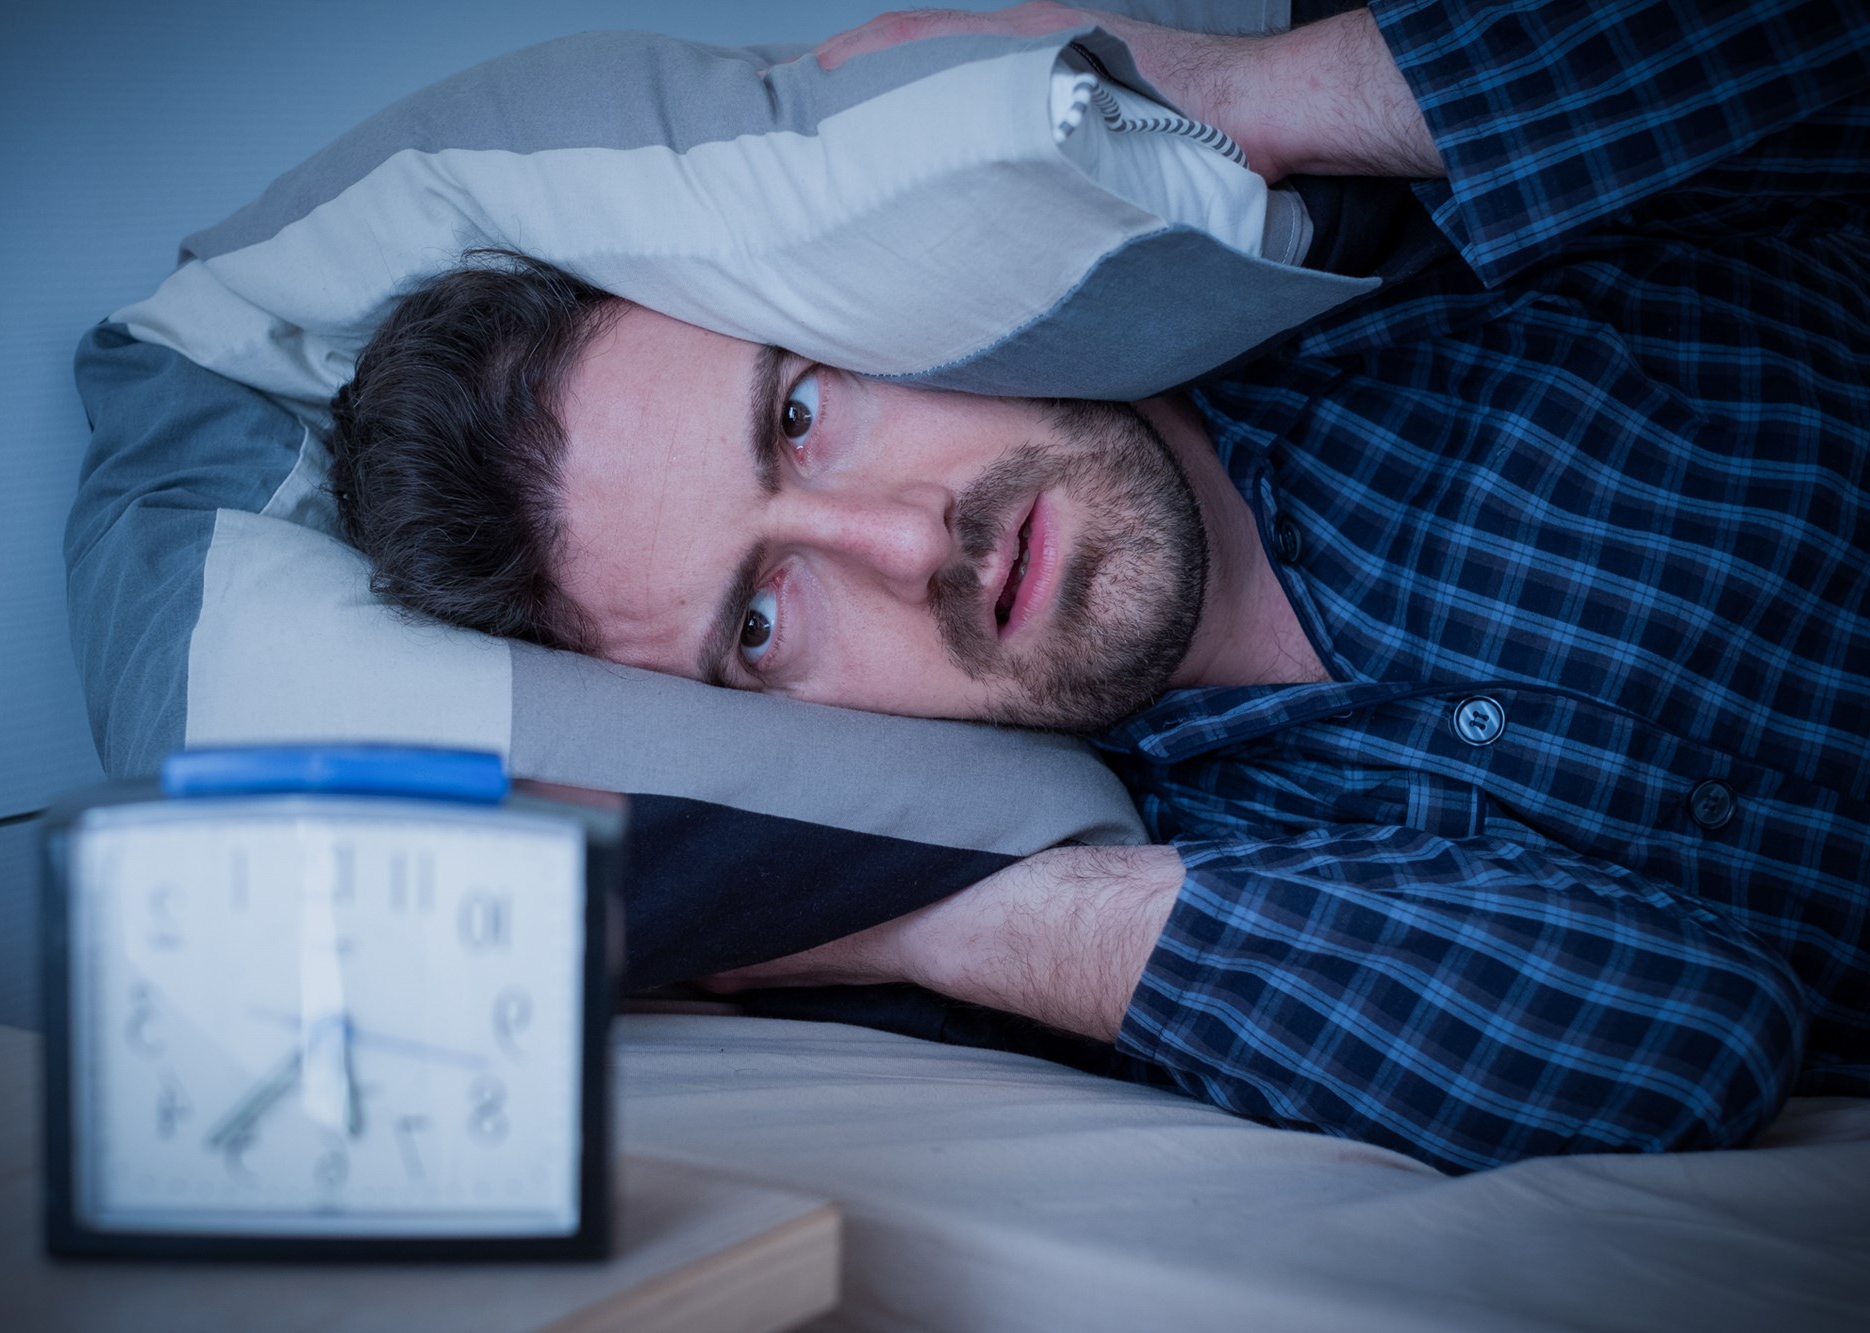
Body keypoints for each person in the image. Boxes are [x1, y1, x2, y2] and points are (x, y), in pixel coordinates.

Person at [326, 0, 1870, 1173]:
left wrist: (1234, 95)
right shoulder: (1186, 908)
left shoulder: (1442, 264)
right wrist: (923, 915)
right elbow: (1691, 1047)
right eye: (760, 622)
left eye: (800, 413)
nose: (911, 544)